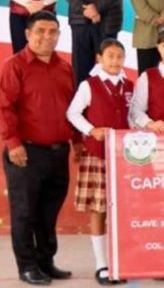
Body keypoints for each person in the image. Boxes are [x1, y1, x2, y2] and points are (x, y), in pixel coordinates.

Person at [0, 11, 81, 286]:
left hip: (59, 152)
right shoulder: (14, 66)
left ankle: (46, 261)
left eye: (53, 31)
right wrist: (13, 144)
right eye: (41, 31)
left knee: (48, 211)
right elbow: (3, 108)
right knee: (24, 212)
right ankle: (27, 266)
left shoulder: (65, 67)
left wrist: (77, 141)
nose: (47, 36)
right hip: (26, 153)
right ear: (27, 34)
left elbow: (73, 109)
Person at [66, 39, 131, 285]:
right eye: (110, 56)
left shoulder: (129, 85)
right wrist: (91, 130)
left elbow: (132, 116)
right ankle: (101, 264)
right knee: (99, 209)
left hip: (123, 157)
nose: (115, 61)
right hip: (97, 154)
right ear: (99, 59)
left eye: (119, 57)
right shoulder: (88, 85)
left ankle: (120, 261)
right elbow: (72, 113)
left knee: (121, 210)